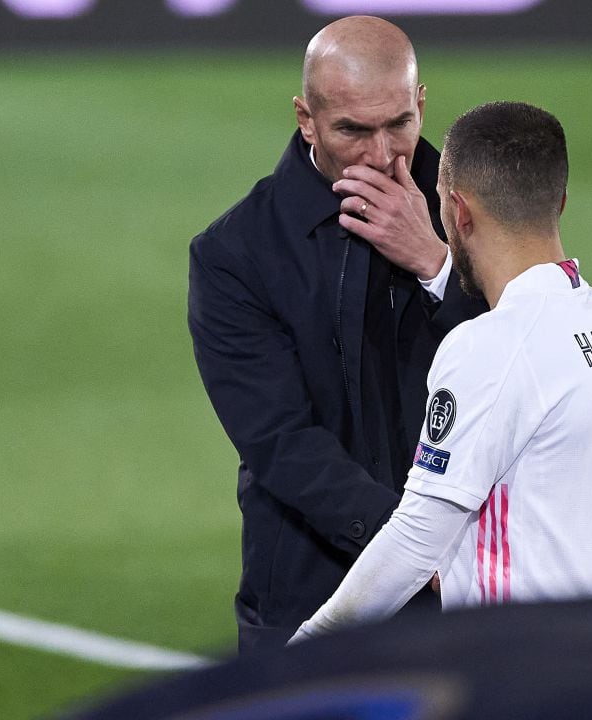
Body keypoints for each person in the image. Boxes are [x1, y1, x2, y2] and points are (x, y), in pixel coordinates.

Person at [291, 101, 592, 642]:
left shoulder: (490, 346)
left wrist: (304, 647)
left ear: (456, 211)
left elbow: (415, 540)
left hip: (517, 673)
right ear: (560, 203)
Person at [187, 16, 487, 654]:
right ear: (307, 119)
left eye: (400, 124)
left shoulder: (479, 216)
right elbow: (281, 442)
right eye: (353, 130)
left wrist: (437, 266)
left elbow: (541, 362)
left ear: (421, 103)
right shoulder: (238, 253)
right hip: (314, 593)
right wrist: (412, 547)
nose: (382, 155)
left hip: (473, 591)